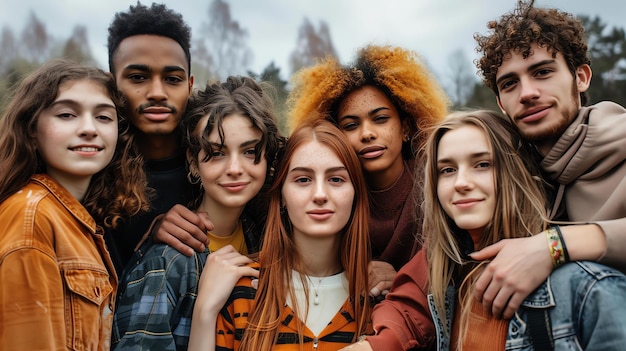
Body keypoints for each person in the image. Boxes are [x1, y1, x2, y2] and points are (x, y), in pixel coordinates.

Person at [342, 110, 626, 351]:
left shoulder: (588, 289)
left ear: (514, 173)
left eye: (482, 164)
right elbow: (403, 313)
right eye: (447, 170)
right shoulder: (446, 268)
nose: (461, 182)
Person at [471, 0, 626, 320]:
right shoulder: (506, 177)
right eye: (510, 83)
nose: (527, 93)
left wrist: (553, 245)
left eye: (542, 72)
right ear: (501, 103)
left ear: (581, 77)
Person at [112, 76, 284, 350]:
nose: (235, 168)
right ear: (193, 163)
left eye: (250, 151)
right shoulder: (166, 263)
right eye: (217, 153)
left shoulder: (267, 238)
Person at [0, 59, 148, 350]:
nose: (89, 129)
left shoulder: (78, 221)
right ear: (32, 127)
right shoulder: (31, 217)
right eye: (67, 114)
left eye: (104, 117)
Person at [189, 120, 372, 350]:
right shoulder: (241, 288)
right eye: (303, 179)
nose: (320, 194)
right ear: (282, 195)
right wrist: (204, 312)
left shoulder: (377, 298)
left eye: (336, 179)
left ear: (355, 193)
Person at [288, 44, 450, 298]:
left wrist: (400, 282)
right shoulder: (327, 196)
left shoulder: (439, 184)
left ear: (406, 127)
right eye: (351, 125)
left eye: (380, 119)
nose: (367, 134)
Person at [106, 2, 210, 273]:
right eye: (138, 77)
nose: (157, 92)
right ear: (111, 84)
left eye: (172, 79)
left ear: (189, 85)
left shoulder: (216, 166)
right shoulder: (91, 174)